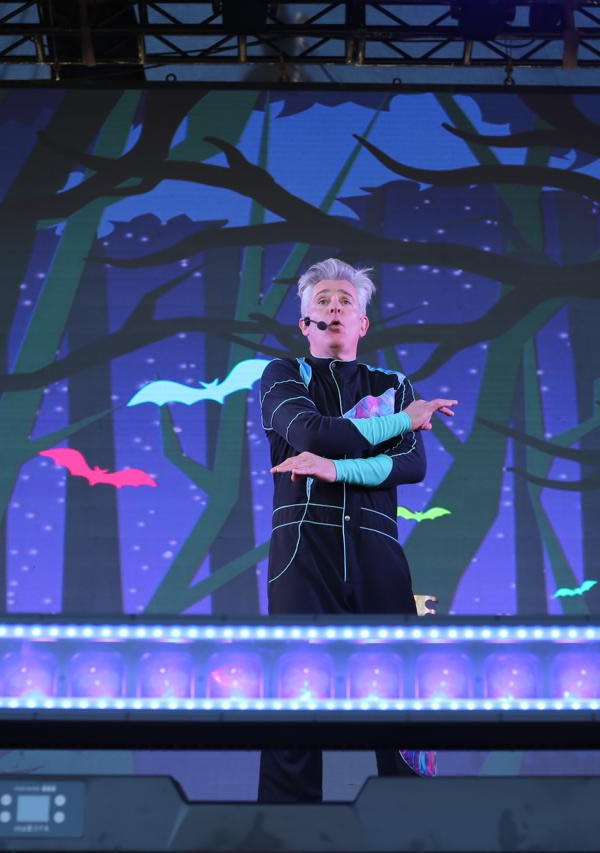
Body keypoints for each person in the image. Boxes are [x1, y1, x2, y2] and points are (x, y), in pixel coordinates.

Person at [256, 258, 456, 802]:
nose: (334, 307)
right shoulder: (282, 375)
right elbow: (311, 431)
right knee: (294, 706)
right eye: (322, 300)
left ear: (363, 323)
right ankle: (285, 832)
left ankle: (414, 829)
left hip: (376, 550)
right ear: (305, 324)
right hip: (303, 553)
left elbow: (412, 466)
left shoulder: (392, 384)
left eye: (346, 300)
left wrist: (333, 469)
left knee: (401, 703)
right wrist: (403, 420)